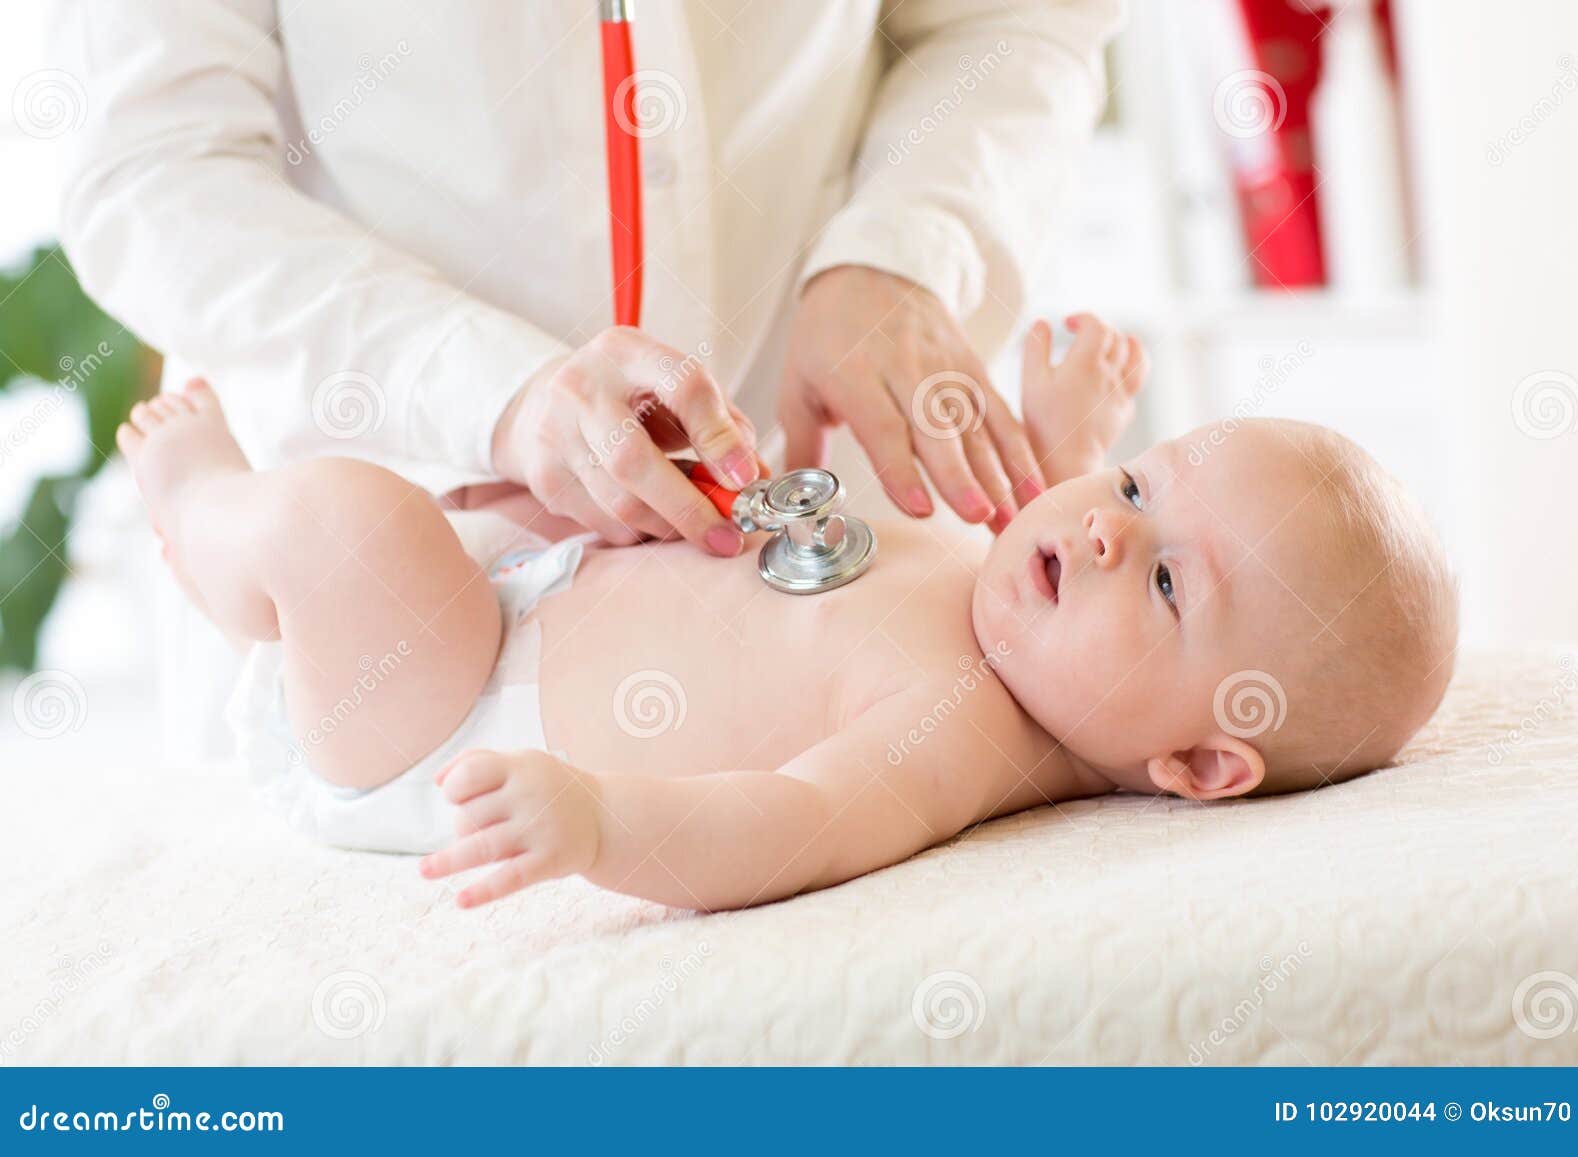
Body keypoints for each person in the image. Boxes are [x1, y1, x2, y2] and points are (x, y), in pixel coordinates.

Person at [51, 1, 1122, 757]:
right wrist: (489, 392)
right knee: (350, 545)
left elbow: (1016, 19)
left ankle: (211, 508)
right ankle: (206, 507)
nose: (1114, 535)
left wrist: (901, 252)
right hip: (403, 528)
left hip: (802, 497)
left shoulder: (1007, 684)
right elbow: (154, 164)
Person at [113, 314, 1457, 910]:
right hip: (530, 584)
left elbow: (795, 824)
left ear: (1199, 763)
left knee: (348, 524)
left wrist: (595, 823)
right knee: (477, 500)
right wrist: (1069, 431)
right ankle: (264, 568)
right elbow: (1062, 531)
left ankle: (209, 511)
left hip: (442, 716)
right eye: (1134, 481)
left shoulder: (961, 734)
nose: (1100, 526)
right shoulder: (1034, 606)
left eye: (1168, 579)